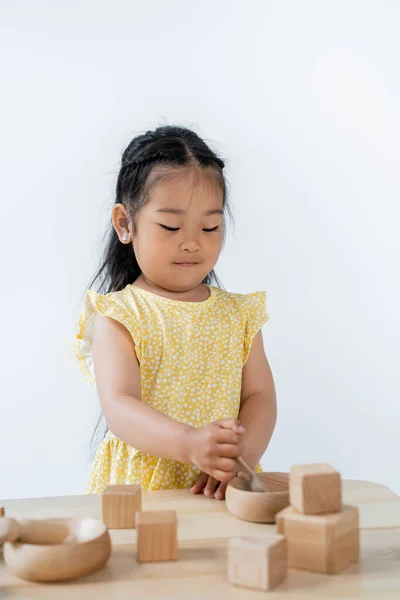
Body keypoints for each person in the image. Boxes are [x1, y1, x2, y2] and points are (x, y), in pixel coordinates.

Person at [75, 125, 277, 500]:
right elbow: (119, 405)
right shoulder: (119, 314)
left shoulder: (239, 315)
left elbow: (260, 396)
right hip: (140, 490)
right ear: (125, 223)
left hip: (222, 487)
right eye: (170, 226)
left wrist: (238, 457)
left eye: (210, 226)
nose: (192, 242)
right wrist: (190, 444)